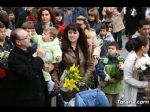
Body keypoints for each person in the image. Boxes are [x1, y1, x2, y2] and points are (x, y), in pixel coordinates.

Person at [51, 23, 94, 106]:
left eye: (75, 33)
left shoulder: (84, 46)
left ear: (79, 34)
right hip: (66, 87)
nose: (72, 35)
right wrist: (57, 83)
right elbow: (55, 69)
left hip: (81, 87)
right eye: (70, 32)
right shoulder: (60, 48)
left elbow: (90, 65)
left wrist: (84, 80)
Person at [7, 28, 49, 106]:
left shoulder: (30, 50)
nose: (30, 37)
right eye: (26, 37)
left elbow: (37, 68)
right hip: (28, 100)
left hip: (40, 95)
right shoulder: (14, 58)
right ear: (18, 42)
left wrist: (47, 67)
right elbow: (28, 73)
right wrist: (39, 58)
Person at [119, 36, 150, 106]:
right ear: (142, 47)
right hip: (135, 93)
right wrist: (145, 84)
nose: (149, 47)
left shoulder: (145, 55)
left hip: (146, 92)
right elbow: (127, 79)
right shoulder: (130, 59)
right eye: (148, 45)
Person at [31, 27, 62, 94]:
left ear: (51, 38)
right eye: (42, 33)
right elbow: (36, 38)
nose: (42, 35)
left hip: (46, 60)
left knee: (45, 71)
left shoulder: (54, 45)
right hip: (38, 57)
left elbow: (57, 51)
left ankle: (49, 82)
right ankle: (47, 82)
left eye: (44, 34)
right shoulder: (40, 39)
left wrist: (58, 57)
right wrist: (34, 34)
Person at [95, 41, 124, 106]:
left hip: (117, 86)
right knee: (108, 103)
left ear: (117, 51)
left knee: (116, 103)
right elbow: (100, 70)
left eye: (112, 48)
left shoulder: (120, 59)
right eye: (109, 48)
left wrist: (122, 69)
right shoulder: (103, 59)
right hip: (107, 86)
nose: (110, 50)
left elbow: (124, 72)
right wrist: (108, 79)